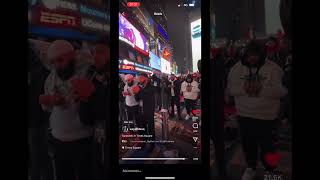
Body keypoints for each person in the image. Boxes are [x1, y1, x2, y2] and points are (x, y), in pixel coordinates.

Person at [227, 41, 287, 180]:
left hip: (267, 116)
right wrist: (244, 88)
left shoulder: (274, 69)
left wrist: (261, 89)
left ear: (262, 54)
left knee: (269, 147)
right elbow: (230, 89)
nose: (252, 58)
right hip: (244, 115)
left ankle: (270, 171)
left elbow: (283, 91)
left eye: (255, 55)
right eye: (249, 55)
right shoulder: (236, 69)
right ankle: (251, 168)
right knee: (248, 144)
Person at [39, 40, 96, 180]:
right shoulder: (50, 79)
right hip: (58, 141)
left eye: (60, 60)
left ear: (72, 57)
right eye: (53, 62)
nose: (57, 65)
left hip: (83, 141)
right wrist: (48, 101)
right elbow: (47, 108)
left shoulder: (87, 73)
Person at [28, 44, 53, 180]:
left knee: (38, 153)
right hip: (37, 119)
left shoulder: (38, 72)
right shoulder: (41, 71)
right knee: (39, 153)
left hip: (36, 120)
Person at [135, 73, 156, 151]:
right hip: (141, 111)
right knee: (142, 128)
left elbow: (146, 95)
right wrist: (136, 92)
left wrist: (139, 90)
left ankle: (152, 145)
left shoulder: (151, 87)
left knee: (150, 129)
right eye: (139, 78)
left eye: (141, 78)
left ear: (146, 78)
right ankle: (143, 142)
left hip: (149, 111)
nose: (139, 79)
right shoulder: (139, 86)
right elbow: (137, 98)